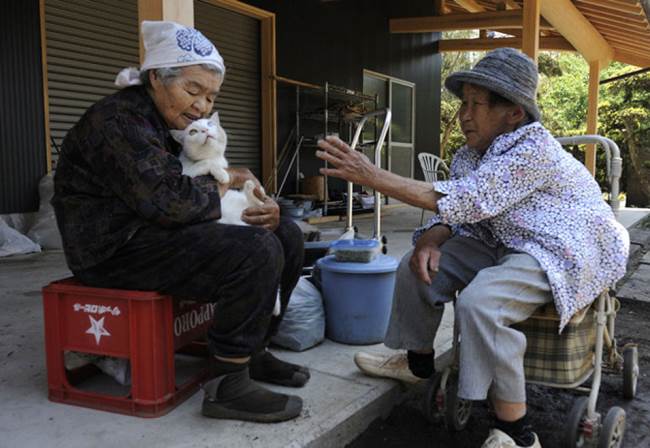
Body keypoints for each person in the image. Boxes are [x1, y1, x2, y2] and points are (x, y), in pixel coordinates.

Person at [316, 48, 629, 448]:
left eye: (475, 104)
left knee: (481, 302)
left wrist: (372, 175)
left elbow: (471, 198)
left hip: (557, 248)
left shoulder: (535, 149)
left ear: (514, 113)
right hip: (499, 240)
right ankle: (418, 364)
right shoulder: (469, 154)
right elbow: (457, 208)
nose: (463, 114)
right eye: (463, 103)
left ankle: (518, 432)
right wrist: (432, 236)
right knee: (415, 264)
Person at [52, 21, 308, 423]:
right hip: (111, 249)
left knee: (286, 233)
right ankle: (227, 386)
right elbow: (172, 202)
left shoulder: (164, 120)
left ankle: (252, 351)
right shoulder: (118, 122)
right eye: (192, 90)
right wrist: (233, 177)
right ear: (156, 77)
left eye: (210, 97)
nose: (202, 107)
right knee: (255, 249)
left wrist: (258, 203)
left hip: (152, 232)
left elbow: (184, 194)